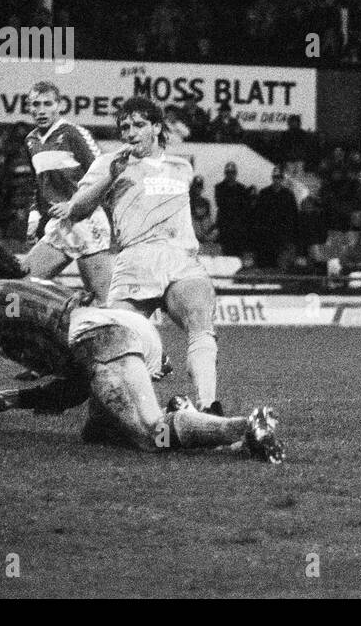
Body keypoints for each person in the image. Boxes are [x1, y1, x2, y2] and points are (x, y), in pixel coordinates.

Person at [0, 242, 282, 461]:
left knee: (151, 436)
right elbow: (75, 386)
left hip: (101, 333)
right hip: (125, 331)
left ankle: (245, 427)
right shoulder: (22, 293)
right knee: (100, 432)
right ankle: (191, 418)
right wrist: (9, 401)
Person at [49, 96, 226, 413]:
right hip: (134, 262)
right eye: (125, 127)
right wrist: (110, 176)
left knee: (201, 323)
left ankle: (209, 407)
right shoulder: (109, 163)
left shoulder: (181, 167)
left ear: (157, 127)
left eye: (139, 125)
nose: (130, 132)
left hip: (181, 260)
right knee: (116, 344)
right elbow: (76, 210)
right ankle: (120, 413)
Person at [21, 81, 115, 299]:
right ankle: (19, 330)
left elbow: (103, 175)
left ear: (59, 105)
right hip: (61, 225)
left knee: (105, 300)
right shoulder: (31, 140)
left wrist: (74, 205)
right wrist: (34, 216)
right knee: (22, 284)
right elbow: (38, 184)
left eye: (47, 104)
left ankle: (130, 331)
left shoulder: (73, 134)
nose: (41, 110)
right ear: (29, 107)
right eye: (36, 104)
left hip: (87, 221)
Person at [214, 162, 253, 266]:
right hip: (225, 230)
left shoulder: (241, 189)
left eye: (232, 173)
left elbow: (245, 209)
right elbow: (222, 205)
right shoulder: (219, 188)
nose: (230, 175)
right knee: (226, 258)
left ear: (236, 174)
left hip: (238, 230)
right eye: (228, 173)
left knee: (237, 258)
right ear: (225, 173)